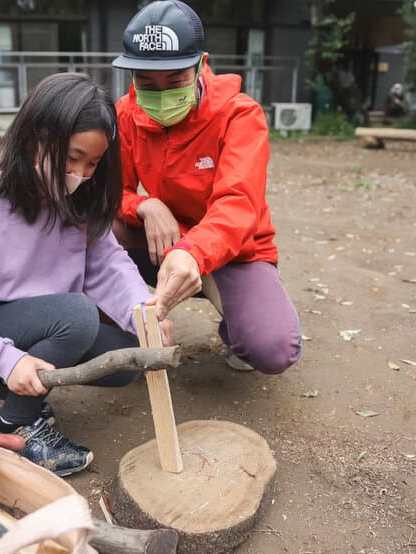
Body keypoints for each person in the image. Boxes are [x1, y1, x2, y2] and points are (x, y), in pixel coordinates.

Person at [0, 73, 170, 477]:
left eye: (92, 164)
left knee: (126, 359)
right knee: (77, 315)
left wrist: (143, 313)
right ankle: (15, 425)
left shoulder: (79, 202)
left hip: (46, 323)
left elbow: (108, 263)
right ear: (34, 137)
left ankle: (18, 383)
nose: (81, 174)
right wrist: (5, 358)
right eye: (72, 158)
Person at [111, 0, 300, 374]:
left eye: (175, 79)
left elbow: (238, 203)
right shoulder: (125, 114)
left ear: (201, 64)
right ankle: (114, 323)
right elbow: (110, 191)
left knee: (272, 349)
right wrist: (145, 207)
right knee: (98, 230)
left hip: (235, 247)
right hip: (164, 236)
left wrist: (193, 252)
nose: (160, 94)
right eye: (147, 82)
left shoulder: (239, 115)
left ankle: (237, 319)